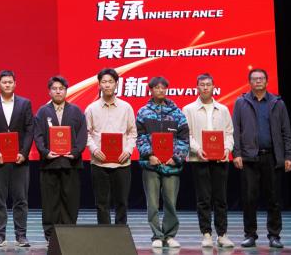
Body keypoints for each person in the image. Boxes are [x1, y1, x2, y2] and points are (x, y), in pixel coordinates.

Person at [232, 68, 291, 249]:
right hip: (249, 158)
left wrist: (289, 156)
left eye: (261, 78)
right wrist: (236, 153)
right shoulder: (241, 102)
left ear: (267, 81)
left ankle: (274, 235)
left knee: (274, 199)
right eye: (254, 79)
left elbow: (286, 132)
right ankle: (250, 235)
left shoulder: (277, 103)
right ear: (249, 82)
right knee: (249, 199)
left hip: (272, 157)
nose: (258, 81)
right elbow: (235, 130)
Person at [0, 70, 35, 248]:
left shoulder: (25, 103)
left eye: (10, 82)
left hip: (20, 160)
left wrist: (24, 152)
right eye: (4, 82)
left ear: (15, 84)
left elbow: (29, 130)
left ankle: (21, 235)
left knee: (21, 199)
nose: (7, 85)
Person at [136, 76, 190, 249]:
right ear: (151, 90)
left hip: (171, 165)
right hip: (151, 165)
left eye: (163, 87)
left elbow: (184, 138)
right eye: (156, 87)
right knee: (152, 203)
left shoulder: (177, 113)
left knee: (170, 202)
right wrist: (149, 155)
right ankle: (157, 235)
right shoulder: (143, 112)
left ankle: (170, 235)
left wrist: (176, 157)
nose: (160, 90)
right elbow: (140, 137)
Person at [183, 73, 236, 249]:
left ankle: (222, 234)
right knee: (203, 199)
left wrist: (227, 149)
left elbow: (229, 133)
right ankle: (206, 234)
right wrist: (198, 149)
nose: (205, 87)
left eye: (208, 84)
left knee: (221, 198)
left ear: (214, 87)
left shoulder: (223, 109)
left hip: (221, 159)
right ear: (197, 87)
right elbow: (187, 135)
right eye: (202, 85)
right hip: (199, 159)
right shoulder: (188, 109)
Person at [33, 75, 86, 243]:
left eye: (61, 89)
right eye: (54, 89)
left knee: (70, 200)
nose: (58, 91)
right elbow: (38, 135)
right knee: (50, 200)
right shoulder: (42, 112)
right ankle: (51, 233)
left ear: (66, 91)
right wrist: (45, 152)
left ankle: (69, 231)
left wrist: (75, 152)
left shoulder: (76, 111)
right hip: (50, 163)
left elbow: (82, 134)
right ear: (49, 91)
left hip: (71, 163)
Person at [84, 68, 137, 227]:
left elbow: (132, 132)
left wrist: (128, 150)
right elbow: (86, 133)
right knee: (101, 203)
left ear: (116, 84)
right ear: (99, 85)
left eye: (110, 82)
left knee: (122, 202)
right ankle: (104, 234)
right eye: (104, 82)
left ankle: (120, 233)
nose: (107, 85)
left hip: (122, 162)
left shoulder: (126, 107)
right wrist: (94, 149)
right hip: (99, 162)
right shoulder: (91, 108)